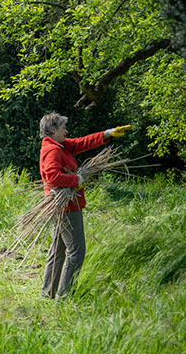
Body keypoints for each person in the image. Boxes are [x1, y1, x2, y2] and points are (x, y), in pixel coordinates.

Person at [38, 112, 131, 299]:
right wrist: (76, 179)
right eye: (63, 127)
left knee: (58, 251)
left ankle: (47, 294)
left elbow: (82, 142)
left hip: (62, 206)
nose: (67, 131)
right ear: (53, 129)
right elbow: (53, 176)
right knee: (76, 252)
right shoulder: (53, 150)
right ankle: (65, 296)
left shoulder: (61, 146)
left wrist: (107, 133)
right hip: (66, 207)